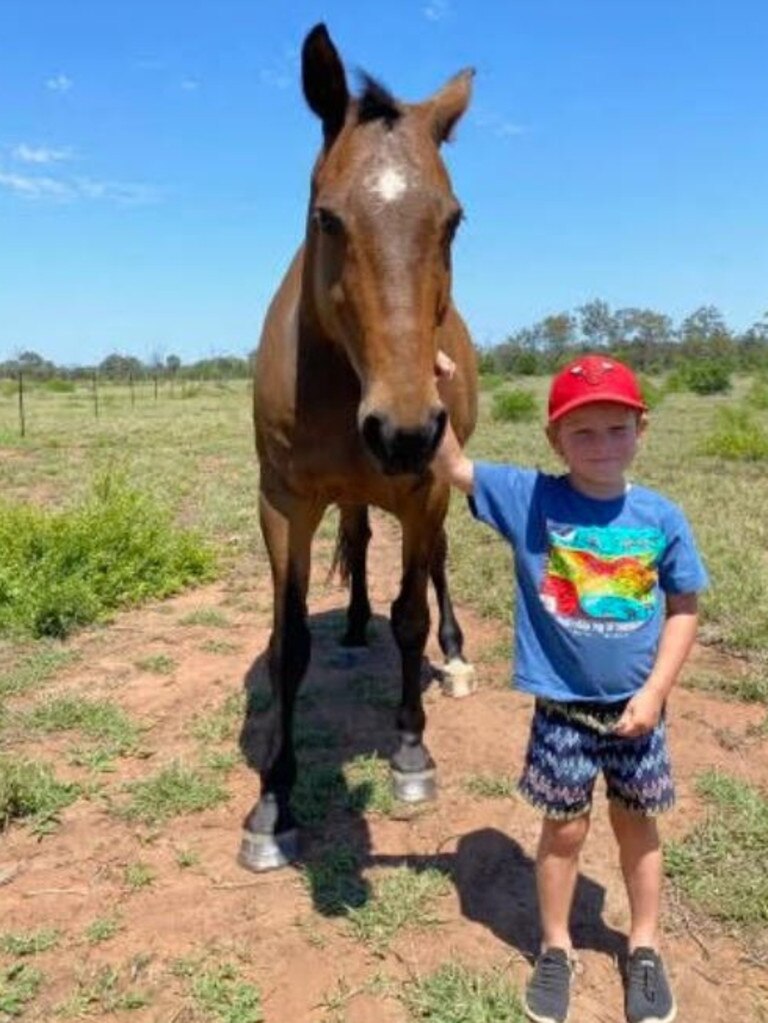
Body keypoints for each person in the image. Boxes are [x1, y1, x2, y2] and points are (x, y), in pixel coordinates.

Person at [432, 353, 707, 1023]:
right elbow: (453, 467)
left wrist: (656, 692)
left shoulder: (661, 517)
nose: (602, 446)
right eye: (582, 433)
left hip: (639, 712)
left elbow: (684, 609)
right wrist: (435, 388)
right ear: (555, 440)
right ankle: (555, 947)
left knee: (638, 828)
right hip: (560, 711)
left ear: (641, 429)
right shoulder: (532, 500)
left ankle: (642, 946)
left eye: (617, 429)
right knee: (562, 832)